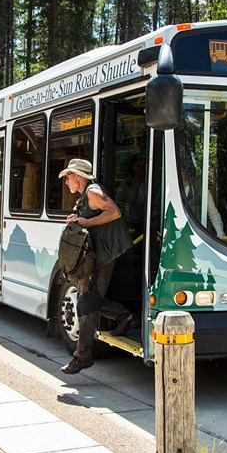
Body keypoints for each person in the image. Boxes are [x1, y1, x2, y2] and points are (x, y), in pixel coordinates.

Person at [58, 158, 139, 375]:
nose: (67, 182)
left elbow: (114, 212)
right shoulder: (86, 196)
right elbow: (93, 214)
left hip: (105, 255)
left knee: (87, 303)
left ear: (79, 176)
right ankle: (125, 317)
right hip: (98, 256)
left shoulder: (93, 191)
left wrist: (86, 223)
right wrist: (79, 217)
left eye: (68, 177)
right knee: (88, 300)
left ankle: (82, 356)